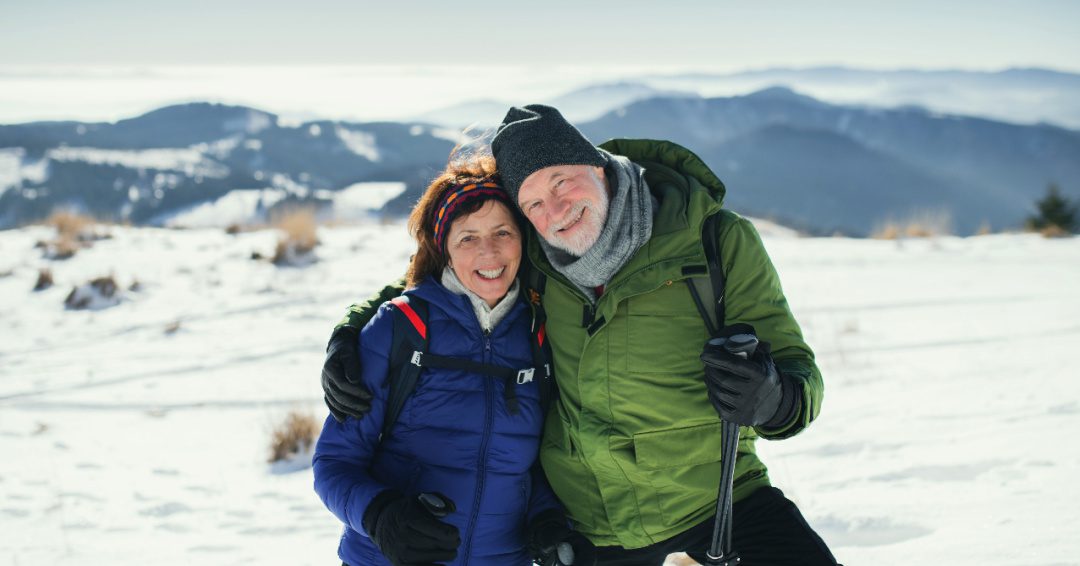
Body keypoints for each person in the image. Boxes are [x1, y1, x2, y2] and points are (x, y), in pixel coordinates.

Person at [322, 105, 838, 565]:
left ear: (597, 164)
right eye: (533, 206)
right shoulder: (539, 258)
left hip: (717, 496)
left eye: (561, 182)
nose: (556, 211)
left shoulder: (715, 243)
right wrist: (352, 329)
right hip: (592, 527)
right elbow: (448, 277)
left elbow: (796, 368)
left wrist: (773, 398)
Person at [313, 155, 595, 566]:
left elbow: (529, 466)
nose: (490, 252)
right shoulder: (401, 328)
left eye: (503, 232)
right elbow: (334, 463)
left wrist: (547, 522)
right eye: (467, 238)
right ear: (443, 248)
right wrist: (378, 516)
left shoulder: (540, 332)